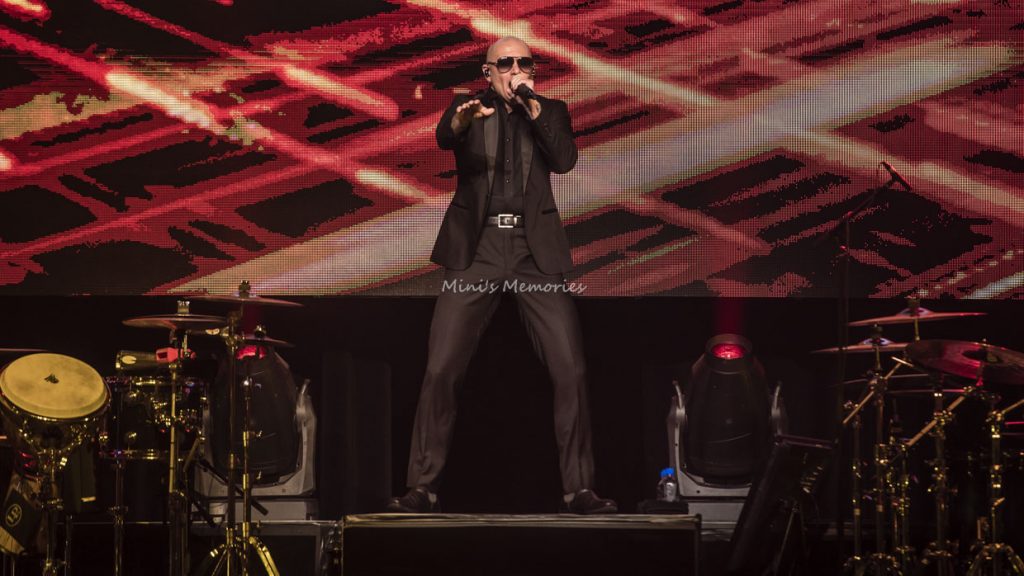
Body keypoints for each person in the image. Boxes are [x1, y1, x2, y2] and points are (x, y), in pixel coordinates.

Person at [386, 36, 616, 515]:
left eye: (523, 63)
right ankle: (423, 487)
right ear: (487, 71)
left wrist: (535, 110)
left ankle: (579, 489)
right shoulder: (468, 107)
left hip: (534, 251)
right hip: (479, 248)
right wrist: (461, 119)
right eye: (505, 63)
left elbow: (565, 161)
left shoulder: (550, 110)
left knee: (570, 368)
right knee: (441, 367)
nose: (515, 69)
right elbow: (446, 136)